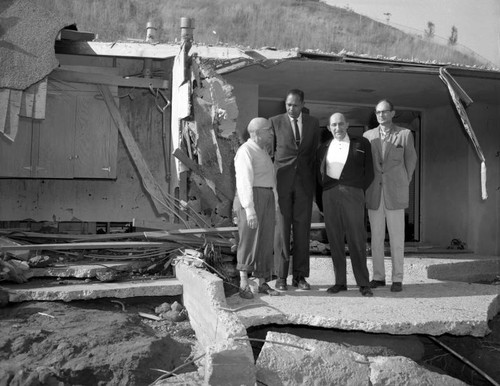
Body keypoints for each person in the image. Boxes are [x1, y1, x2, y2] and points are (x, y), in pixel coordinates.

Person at [316, 113, 374, 297]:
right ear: (328, 127)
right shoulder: (323, 147)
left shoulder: (362, 144)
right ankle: (340, 282)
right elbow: (318, 176)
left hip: (353, 193)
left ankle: (363, 283)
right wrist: (322, 201)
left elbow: (370, 172)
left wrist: (356, 189)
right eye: (333, 125)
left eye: (341, 124)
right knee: (334, 239)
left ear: (347, 125)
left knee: (357, 238)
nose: (337, 128)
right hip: (330, 195)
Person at [363, 99, 417, 292]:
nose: (381, 115)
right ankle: (378, 277)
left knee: (396, 238)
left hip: (395, 193)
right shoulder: (368, 136)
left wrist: (403, 181)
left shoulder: (404, 135)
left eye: (385, 112)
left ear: (393, 113)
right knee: (376, 238)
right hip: (375, 194)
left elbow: (411, 162)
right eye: (378, 112)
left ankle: (397, 278)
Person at [270, 89, 320, 291]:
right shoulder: (274, 122)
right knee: (282, 231)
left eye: (295, 105)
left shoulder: (313, 123)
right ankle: (281, 277)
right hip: (282, 185)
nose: (291, 108)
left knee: (302, 231)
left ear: (302, 104)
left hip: (304, 186)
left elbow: (313, 155)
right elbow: (270, 154)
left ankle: (299, 276)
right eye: (288, 104)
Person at [234, 117, 280, 299]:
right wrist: (249, 208)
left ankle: (262, 282)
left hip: (266, 197)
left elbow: (271, 181)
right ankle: (243, 283)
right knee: (249, 239)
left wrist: (274, 203)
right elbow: (244, 180)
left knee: (265, 240)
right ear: (257, 133)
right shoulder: (246, 151)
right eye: (268, 130)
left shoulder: (263, 151)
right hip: (252, 198)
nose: (271, 133)